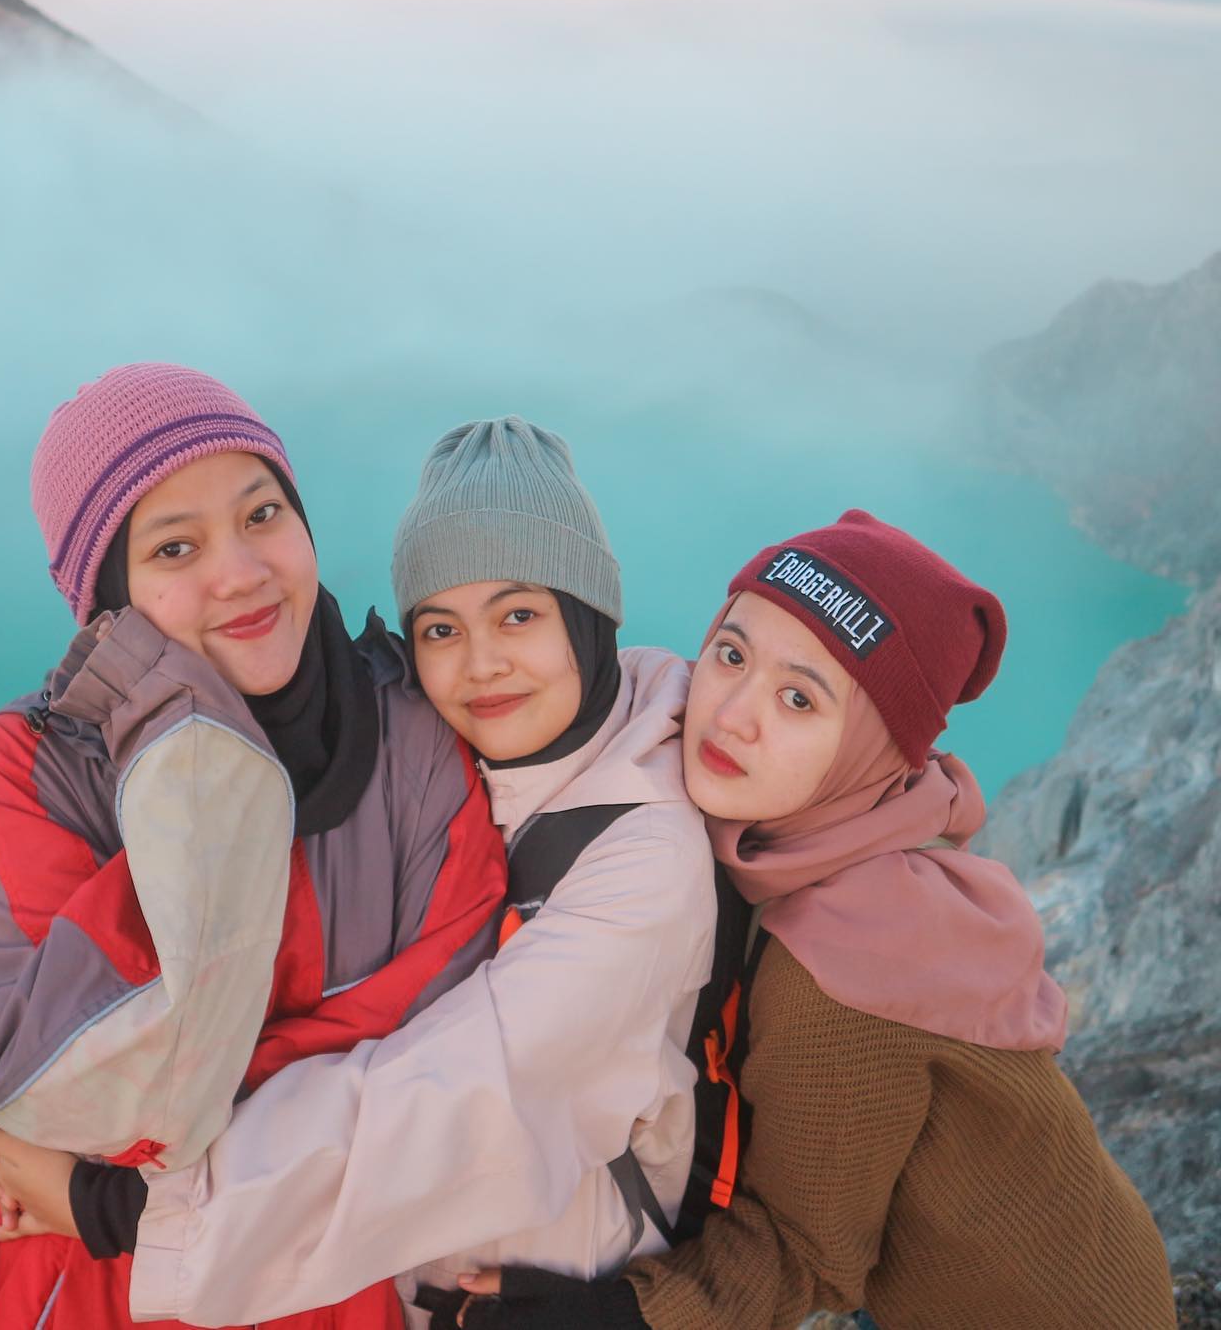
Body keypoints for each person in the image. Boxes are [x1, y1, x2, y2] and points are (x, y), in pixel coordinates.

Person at [0, 417, 718, 1327]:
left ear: (589, 615)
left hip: (542, 1279)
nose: (481, 665)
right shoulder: (464, 761)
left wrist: (118, 1204)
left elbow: (475, 1094)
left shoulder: (646, 853)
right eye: (440, 627)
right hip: (391, 1275)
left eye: (519, 614)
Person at [450, 510, 1176, 1330]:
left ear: (870, 745)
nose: (732, 714)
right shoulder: (864, 835)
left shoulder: (846, 964)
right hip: (1089, 1260)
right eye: (731, 654)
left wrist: (607, 1316)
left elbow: (803, 1251)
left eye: (799, 698)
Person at [0, 363, 505, 1330]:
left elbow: (451, 1054)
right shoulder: (28, 770)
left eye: (263, 514)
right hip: (67, 1283)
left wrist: (117, 1176)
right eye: (175, 546)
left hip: (290, 1275)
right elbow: (48, 1082)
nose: (243, 570)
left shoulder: (413, 741)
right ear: (109, 596)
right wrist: (195, 763)